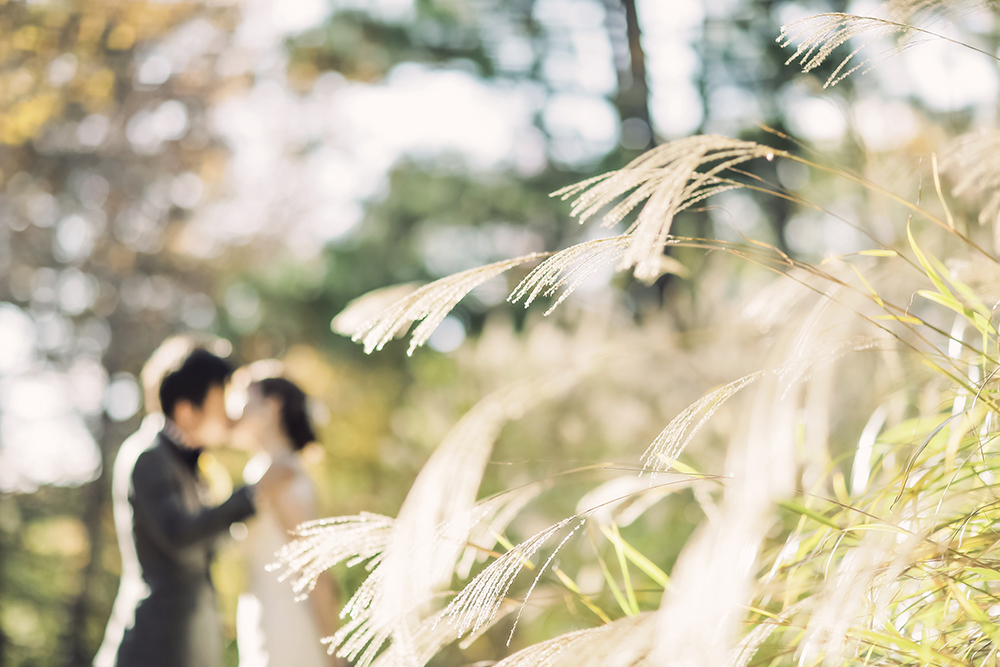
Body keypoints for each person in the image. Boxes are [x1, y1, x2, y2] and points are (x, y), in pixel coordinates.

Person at [95, 338, 292, 667]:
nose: (230, 416)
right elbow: (179, 535)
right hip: (153, 643)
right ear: (187, 410)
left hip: (190, 641)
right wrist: (252, 494)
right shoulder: (147, 456)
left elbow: (210, 539)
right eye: (221, 402)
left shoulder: (193, 463)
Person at [231, 376, 342, 667]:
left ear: (271, 406)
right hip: (266, 612)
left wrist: (334, 649)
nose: (234, 409)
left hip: (285, 622)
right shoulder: (264, 470)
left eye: (244, 398)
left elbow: (311, 566)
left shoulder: (280, 474)